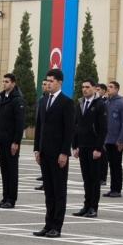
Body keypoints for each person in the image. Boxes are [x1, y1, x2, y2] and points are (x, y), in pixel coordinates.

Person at [31, 69, 74, 236]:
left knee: (58, 190)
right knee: (48, 191)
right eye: (47, 80)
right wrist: (37, 148)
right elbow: (39, 127)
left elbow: (68, 130)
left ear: (59, 83)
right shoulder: (43, 101)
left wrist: (64, 153)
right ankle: (48, 224)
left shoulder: (66, 102)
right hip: (44, 152)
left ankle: (57, 226)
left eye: (51, 81)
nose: (48, 83)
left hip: (58, 154)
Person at [73, 80, 105, 217]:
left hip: (94, 148)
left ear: (94, 89)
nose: (84, 89)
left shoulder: (100, 105)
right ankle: (86, 205)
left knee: (94, 178)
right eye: (83, 87)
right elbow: (75, 126)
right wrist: (75, 145)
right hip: (83, 146)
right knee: (86, 178)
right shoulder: (80, 104)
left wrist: (98, 148)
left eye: (87, 87)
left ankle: (93, 207)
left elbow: (103, 128)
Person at [0, 73, 25, 208]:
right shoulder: (2, 98)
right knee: (4, 170)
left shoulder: (17, 100)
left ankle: (11, 199)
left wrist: (16, 142)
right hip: (2, 140)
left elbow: (19, 123)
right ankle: (5, 197)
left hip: (11, 141)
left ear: (13, 83)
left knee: (12, 171)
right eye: (4, 81)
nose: (4, 84)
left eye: (7, 82)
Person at [103, 81, 123, 195]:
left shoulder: (122, 103)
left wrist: (121, 140)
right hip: (107, 139)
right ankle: (112, 188)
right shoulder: (106, 102)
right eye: (108, 87)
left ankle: (117, 189)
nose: (108, 89)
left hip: (116, 141)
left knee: (116, 165)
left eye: (111, 87)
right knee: (111, 165)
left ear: (117, 89)